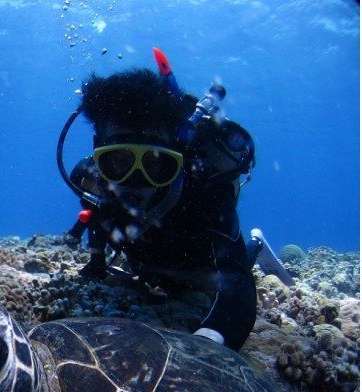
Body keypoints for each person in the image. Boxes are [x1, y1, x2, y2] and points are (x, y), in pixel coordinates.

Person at [57, 53, 262, 351]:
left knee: (215, 274)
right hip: (145, 264)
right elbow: (95, 216)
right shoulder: (90, 179)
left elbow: (238, 281)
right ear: (98, 155)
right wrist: (97, 261)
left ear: (176, 159)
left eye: (155, 163)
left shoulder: (205, 187)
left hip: (198, 272)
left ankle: (256, 244)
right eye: (119, 162)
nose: (136, 181)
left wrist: (209, 344)